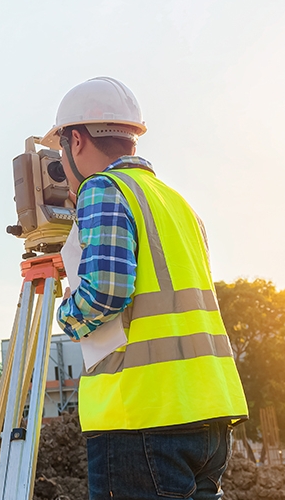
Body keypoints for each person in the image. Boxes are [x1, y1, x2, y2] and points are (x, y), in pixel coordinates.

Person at [43, 77, 249, 500]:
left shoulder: (103, 189)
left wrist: (66, 312)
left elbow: (106, 293)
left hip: (142, 417)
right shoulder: (176, 202)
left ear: (76, 141)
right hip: (208, 411)